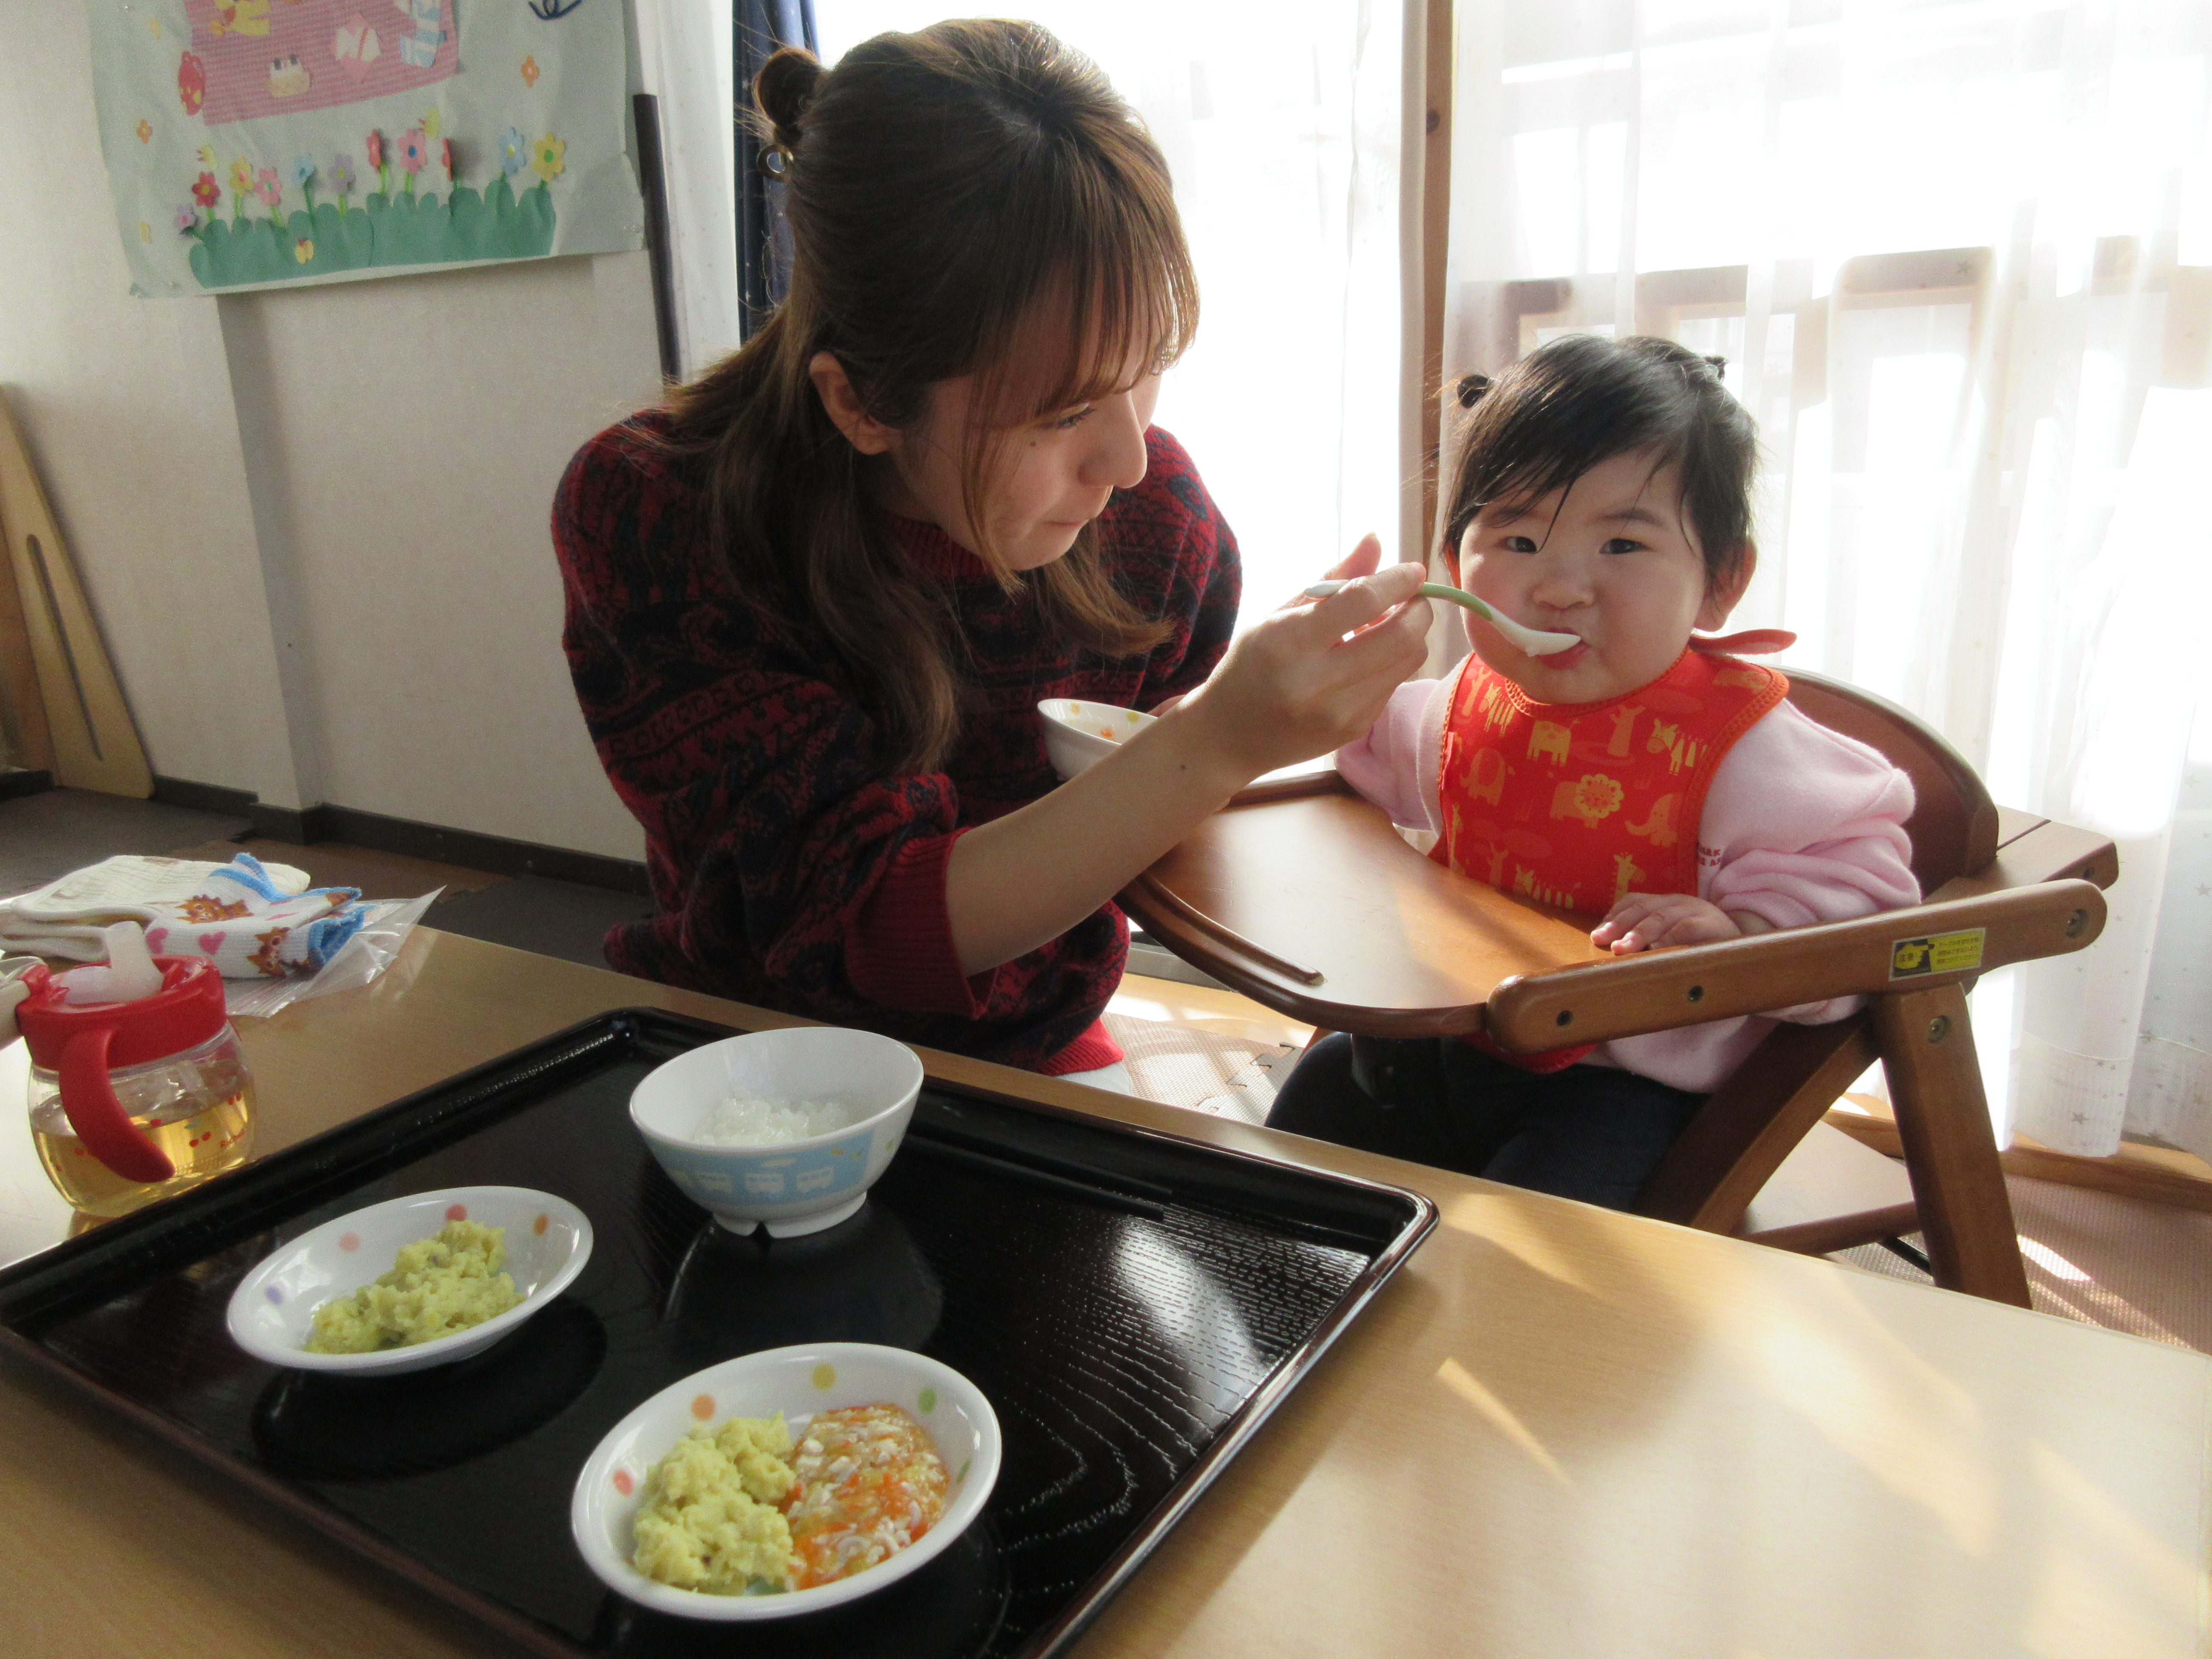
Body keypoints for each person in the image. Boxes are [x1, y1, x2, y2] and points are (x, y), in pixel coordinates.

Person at [553, 20, 1430, 1085]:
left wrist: (1283, 741)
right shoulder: (659, 513)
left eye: (1147, 369)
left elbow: (1155, 817)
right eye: (1062, 413)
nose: (1128, 460)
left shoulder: (1156, 521)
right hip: (749, 1062)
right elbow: (847, 933)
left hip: (1041, 1038)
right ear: (863, 402)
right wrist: (1216, 743)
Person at [1266, 334, 1920, 1208]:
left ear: (1720, 581)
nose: (1561, 587)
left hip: (1629, 1082)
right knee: (1315, 1108)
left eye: (1621, 545)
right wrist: (1305, 698)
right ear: (1457, 566)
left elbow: (1871, 901)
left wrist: (1740, 930)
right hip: (1456, 1030)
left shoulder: (1749, 750)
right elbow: (1349, 768)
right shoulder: (1459, 703)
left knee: (1534, 1229)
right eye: (1520, 538)